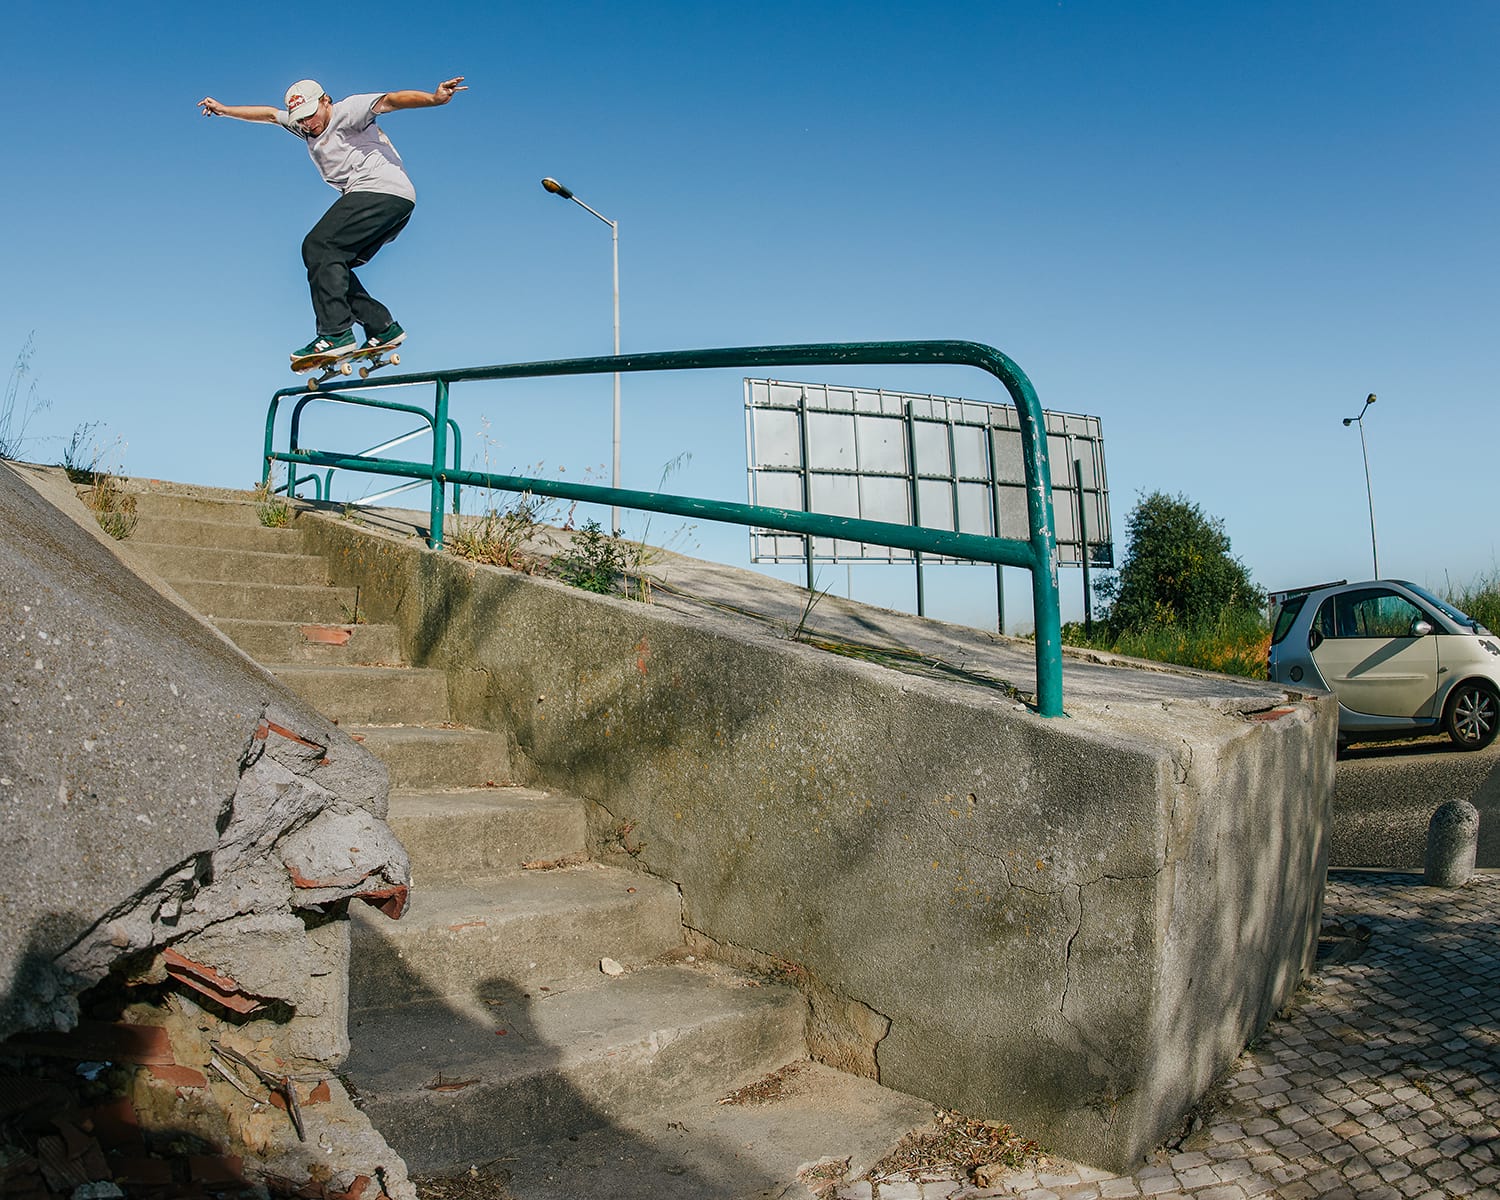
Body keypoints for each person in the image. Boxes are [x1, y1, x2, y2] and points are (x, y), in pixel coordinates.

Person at [198, 77, 467, 362]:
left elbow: (392, 100)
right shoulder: (303, 125)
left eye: (311, 116)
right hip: (392, 203)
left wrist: (433, 98)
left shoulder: (348, 111)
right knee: (331, 268)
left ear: (326, 101)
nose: (308, 124)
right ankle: (381, 326)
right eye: (300, 120)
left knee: (317, 246)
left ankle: (335, 333)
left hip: (380, 190)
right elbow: (267, 114)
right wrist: (225, 110)